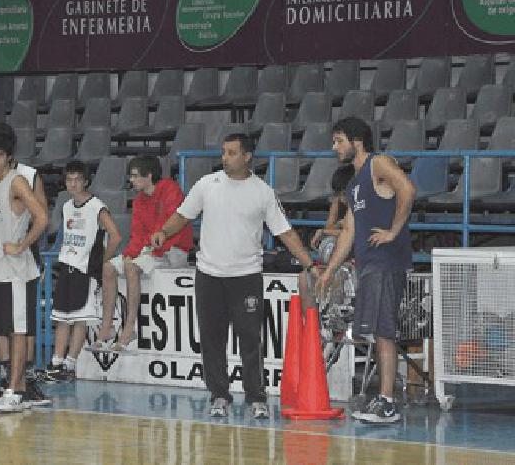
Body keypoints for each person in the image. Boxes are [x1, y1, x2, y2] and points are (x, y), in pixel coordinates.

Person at [150, 133, 315, 419]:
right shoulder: (207, 184)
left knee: (250, 339)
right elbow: (183, 215)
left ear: (247, 156)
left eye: (231, 152)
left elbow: (285, 232)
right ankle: (219, 395)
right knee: (212, 340)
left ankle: (257, 397)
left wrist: (309, 264)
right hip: (208, 276)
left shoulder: (263, 191)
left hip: (246, 277)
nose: (225, 157)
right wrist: (164, 231)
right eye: (224, 152)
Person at [316, 117, 415, 424]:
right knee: (376, 332)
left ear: (356, 140)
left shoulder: (378, 163)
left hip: (385, 261)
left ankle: (387, 403)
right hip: (369, 263)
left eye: (339, 141)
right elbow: (348, 230)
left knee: (385, 332)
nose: (335, 147)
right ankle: (383, 399)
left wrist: (393, 231)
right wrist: (330, 270)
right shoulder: (356, 181)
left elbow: (407, 190)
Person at [0, 122, 51, 406]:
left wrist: (21, 245)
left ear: (9, 157)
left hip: (16, 270)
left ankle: (17, 392)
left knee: (19, 330)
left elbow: (42, 218)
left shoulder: (17, 181)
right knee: (5, 328)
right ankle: (12, 386)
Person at [98, 155, 192, 351]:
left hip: (173, 251)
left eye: (134, 176)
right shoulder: (139, 200)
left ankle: (129, 328)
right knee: (108, 268)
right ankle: (106, 328)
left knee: (131, 267)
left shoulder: (171, 190)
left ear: (148, 176)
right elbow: (138, 234)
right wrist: (129, 254)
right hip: (149, 252)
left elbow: (173, 226)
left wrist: (141, 254)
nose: (131, 180)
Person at [45, 161, 121, 382]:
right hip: (67, 267)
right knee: (61, 318)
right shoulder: (67, 206)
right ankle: (56, 363)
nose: (73, 183)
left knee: (79, 320)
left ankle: (70, 365)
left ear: (86, 181)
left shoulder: (97, 206)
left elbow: (116, 236)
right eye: (69, 179)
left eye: (78, 179)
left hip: (85, 270)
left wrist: (101, 261)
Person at [298, 164, 355, 316]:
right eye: (340, 195)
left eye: (344, 194)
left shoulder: (365, 204)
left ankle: (335, 320)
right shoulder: (340, 201)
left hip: (358, 259)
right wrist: (337, 210)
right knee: (304, 277)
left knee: (338, 275)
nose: (342, 199)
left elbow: (353, 233)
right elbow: (330, 228)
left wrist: (328, 231)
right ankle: (314, 329)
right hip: (338, 259)